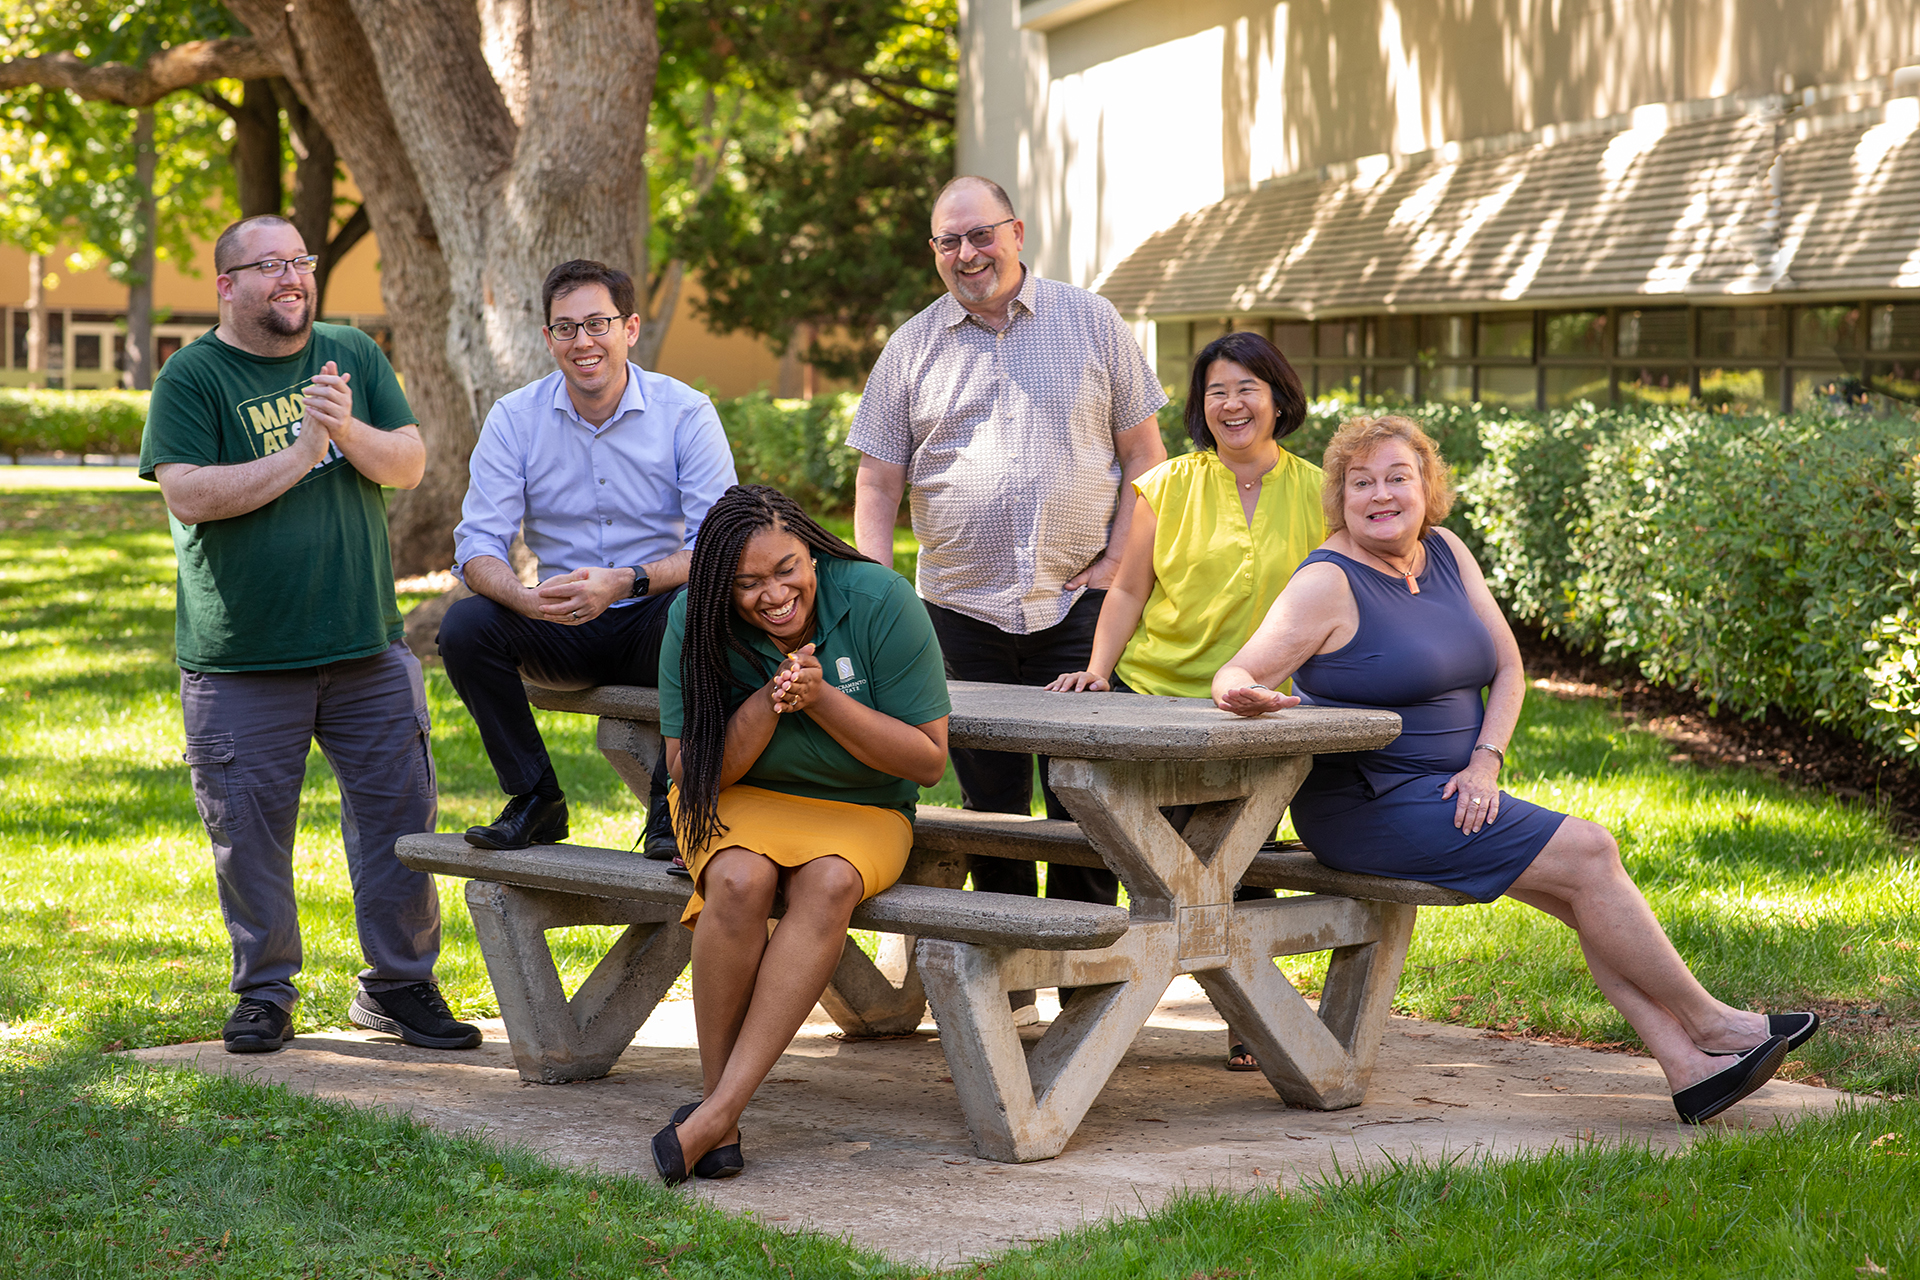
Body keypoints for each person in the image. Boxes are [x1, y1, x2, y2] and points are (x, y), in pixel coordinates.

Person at [1211, 415, 1818, 1124]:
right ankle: (1712, 1025)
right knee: (1592, 852)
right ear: (1340, 499)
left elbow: (1507, 667)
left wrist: (1484, 763)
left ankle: (1689, 1071)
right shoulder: (1327, 581)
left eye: (1398, 477)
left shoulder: (1443, 550)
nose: (1382, 495)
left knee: (1584, 893)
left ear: (1427, 486)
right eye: (1361, 482)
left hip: (1453, 788)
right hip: (1368, 805)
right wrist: (1237, 692)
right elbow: (1240, 668)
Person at [140, 213, 479, 1054]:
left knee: (400, 822)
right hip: (242, 661)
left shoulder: (351, 354)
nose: (292, 278)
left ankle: (399, 986)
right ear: (227, 285)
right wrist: (300, 454)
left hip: (367, 646)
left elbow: (407, 464)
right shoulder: (193, 378)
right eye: (269, 266)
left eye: (301, 261)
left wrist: (345, 431)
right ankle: (264, 992)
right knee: (250, 837)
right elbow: (188, 494)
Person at [848, 174, 1167, 1020]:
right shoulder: (911, 347)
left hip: (1076, 611)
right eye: (948, 242)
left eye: (979, 235)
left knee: (1085, 798)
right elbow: (878, 485)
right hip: (956, 612)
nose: (966, 254)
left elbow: (1146, 458)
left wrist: (1115, 559)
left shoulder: (1091, 320)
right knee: (992, 803)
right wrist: (881, 596)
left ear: (1016, 232)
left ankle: (1086, 972)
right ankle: (1012, 980)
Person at [651, 485, 951, 1182]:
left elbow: (928, 761)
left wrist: (822, 702)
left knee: (831, 879)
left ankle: (715, 1114)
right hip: (737, 799)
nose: (773, 594)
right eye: (748, 583)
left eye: (786, 569)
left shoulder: (880, 600)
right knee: (738, 877)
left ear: (811, 553)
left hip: (864, 809)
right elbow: (689, 771)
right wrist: (765, 703)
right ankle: (719, 1109)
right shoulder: (694, 620)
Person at [1047, 330, 1322, 1068]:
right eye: (1216, 392)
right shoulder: (1166, 484)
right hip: (1154, 691)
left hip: (1260, 705)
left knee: (1245, 857)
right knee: (1103, 840)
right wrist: (1099, 669)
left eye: (1247, 388)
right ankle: (1080, 1000)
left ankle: (1247, 1018)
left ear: (1278, 397)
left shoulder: (1319, 489)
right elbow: (1130, 585)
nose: (1232, 404)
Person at [439, 260, 736, 855]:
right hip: (562, 623)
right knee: (466, 626)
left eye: (597, 323)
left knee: (706, 606)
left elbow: (720, 545)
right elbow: (476, 545)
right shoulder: (515, 419)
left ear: (630, 328)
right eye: (566, 328)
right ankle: (535, 799)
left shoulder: (686, 412)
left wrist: (627, 580)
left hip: (658, 617)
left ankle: (671, 808)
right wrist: (524, 599)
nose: (584, 342)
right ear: (548, 339)